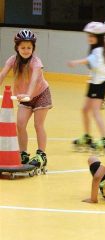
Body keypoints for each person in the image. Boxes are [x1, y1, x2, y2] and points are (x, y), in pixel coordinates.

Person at [0, 29, 52, 169]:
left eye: (29, 47)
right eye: (23, 47)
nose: (26, 50)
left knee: (38, 124)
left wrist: (28, 93)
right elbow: (3, 74)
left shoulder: (36, 62)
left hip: (41, 94)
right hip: (24, 97)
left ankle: (41, 154)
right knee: (20, 124)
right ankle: (23, 153)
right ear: (17, 47)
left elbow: (35, 79)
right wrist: (25, 95)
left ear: (33, 48)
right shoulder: (12, 60)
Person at [68, 22, 105, 151]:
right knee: (85, 109)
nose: (89, 38)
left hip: (99, 85)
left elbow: (90, 61)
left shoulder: (99, 50)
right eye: (89, 35)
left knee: (95, 112)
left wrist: (76, 62)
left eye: (93, 36)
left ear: (99, 37)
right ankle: (87, 137)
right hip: (93, 83)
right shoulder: (96, 49)